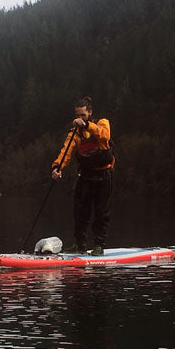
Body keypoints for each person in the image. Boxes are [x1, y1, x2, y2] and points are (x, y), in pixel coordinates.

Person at [51, 96, 114, 255]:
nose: (79, 119)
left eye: (83, 115)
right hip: (85, 177)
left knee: (101, 213)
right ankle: (79, 245)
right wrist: (57, 167)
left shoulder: (102, 123)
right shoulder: (75, 133)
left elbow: (104, 136)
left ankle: (99, 246)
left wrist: (86, 125)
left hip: (103, 177)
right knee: (79, 212)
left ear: (90, 113)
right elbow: (65, 152)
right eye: (77, 115)